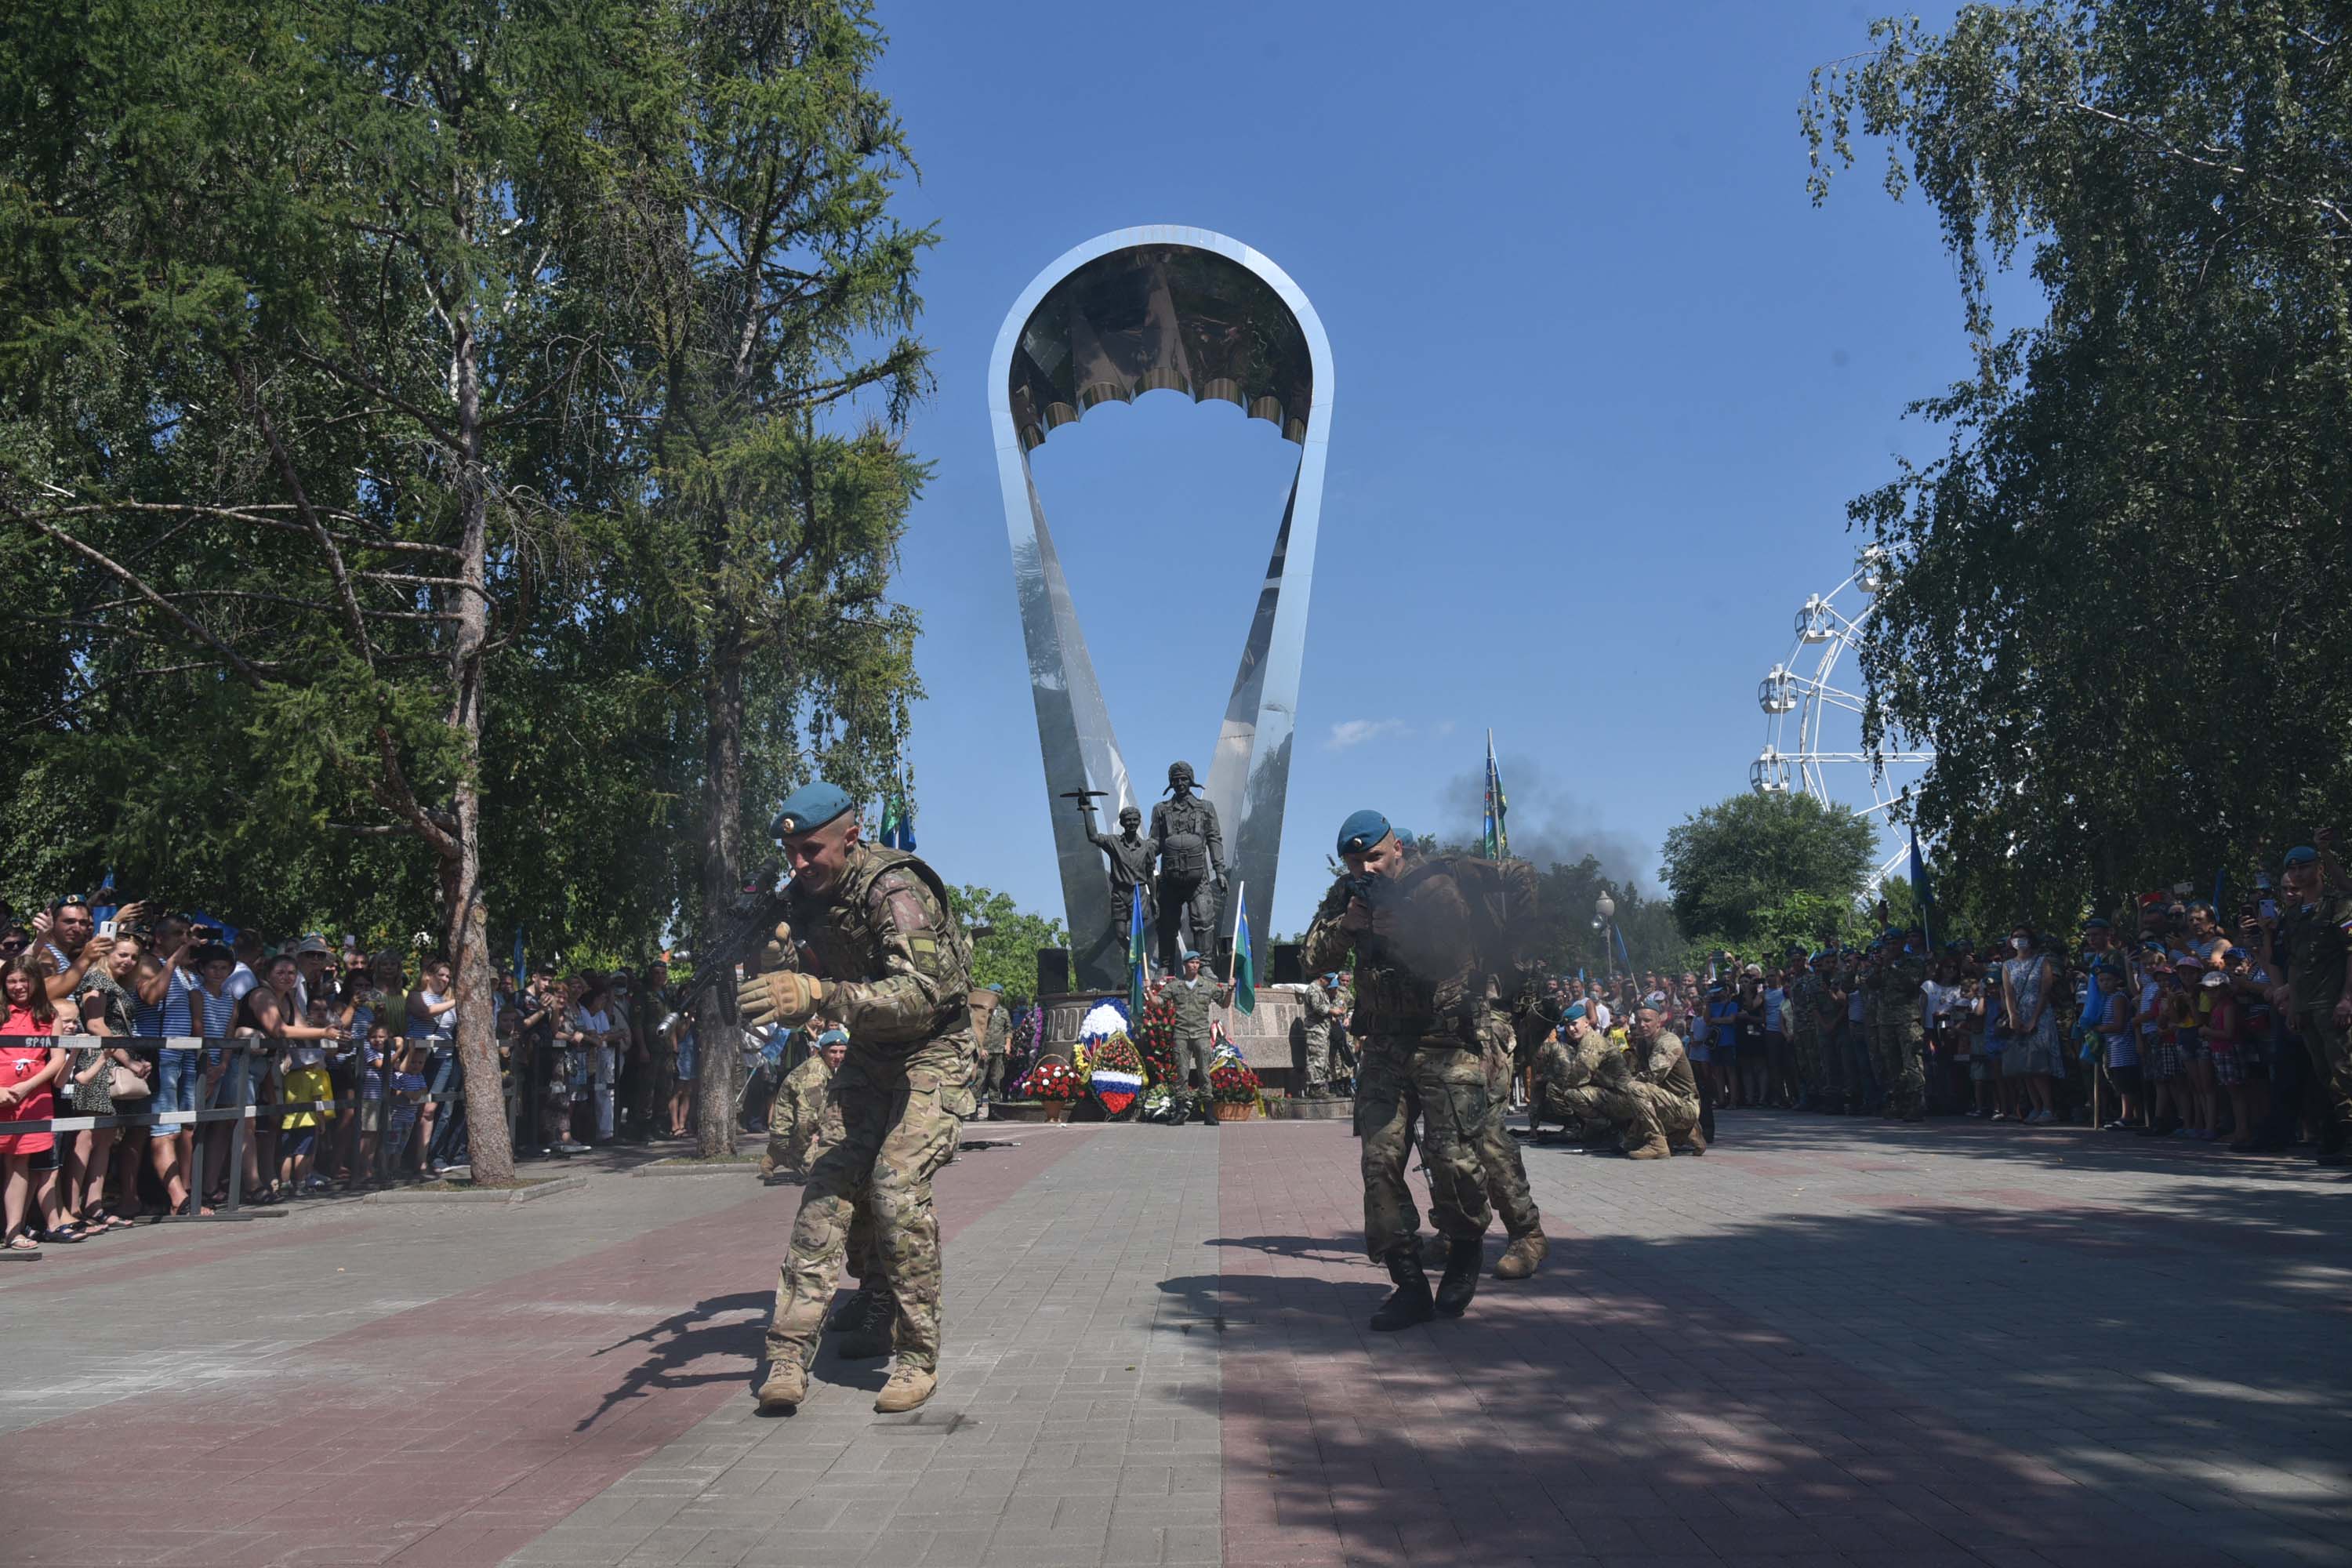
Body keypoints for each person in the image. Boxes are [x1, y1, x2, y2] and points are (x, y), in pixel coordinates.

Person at [739, 781, 977, 1415]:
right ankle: (787, 1356)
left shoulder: (894, 890)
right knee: (828, 1186)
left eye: (810, 850)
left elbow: (921, 995)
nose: (798, 863)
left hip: (935, 1046)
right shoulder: (803, 899)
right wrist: (774, 974)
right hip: (871, 1052)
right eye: (789, 852)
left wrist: (817, 996)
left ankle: (915, 1356)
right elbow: (795, 994)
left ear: (849, 837)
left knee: (896, 1185)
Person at [1304, 810, 1534, 1331]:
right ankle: (1407, 1283)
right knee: (1379, 1164)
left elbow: (1457, 954)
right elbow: (1311, 958)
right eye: (1356, 862)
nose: (1368, 869)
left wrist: (1406, 929)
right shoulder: (1349, 896)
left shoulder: (1440, 885)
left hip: (1444, 1041)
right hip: (1385, 1046)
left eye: (1376, 857)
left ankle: (1465, 1250)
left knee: (1454, 1161)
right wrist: (1348, 926)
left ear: (1399, 850)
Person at [2, 953, 74, 1252]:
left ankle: (13, 1230)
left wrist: (27, 1086)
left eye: (24, 980)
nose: (18, 987)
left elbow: (56, 1059)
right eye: (11, 981)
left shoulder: (50, 1015)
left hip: (34, 1099)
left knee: (20, 1163)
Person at [1595, 996, 1706, 1159]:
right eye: (1639, 1020)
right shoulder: (1642, 1044)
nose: (1642, 1025)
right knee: (1631, 1096)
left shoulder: (1668, 1042)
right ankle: (1687, 1133)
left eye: (1647, 1020)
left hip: (1685, 1105)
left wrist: (1620, 1085)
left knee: (1635, 1089)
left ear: (1659, 1022)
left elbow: (1651, 1077)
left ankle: (1658, 1143)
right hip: (1664, 1101)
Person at [1167, 953, 1229, 1122]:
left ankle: (1208, 1112)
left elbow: (1224, 1003)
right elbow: (1157, 1002)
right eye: (1191, 962)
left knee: (1204, 1073)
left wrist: (1230, 990)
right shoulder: (1176, 986)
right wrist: (1148, 990)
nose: (1195, 965)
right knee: (1182, 1074)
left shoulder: (1207, 985)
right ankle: (1180, 1112)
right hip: (1181, 1034)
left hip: (1201, 1034)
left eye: (1197, 962)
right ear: (1185, 965)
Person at [1300, 973, 1344, 1100]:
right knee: (1316, 1059)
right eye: (1329, 980)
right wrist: (1332, 1011)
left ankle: (1321, 1086)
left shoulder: (1322, 990)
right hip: (1315, 1029)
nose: (1330, 983)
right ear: (1322, 978)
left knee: (1322, 1059)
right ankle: (1315, 1087)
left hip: (1323, 1030)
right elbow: (1317, 1007)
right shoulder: (1314, 989)